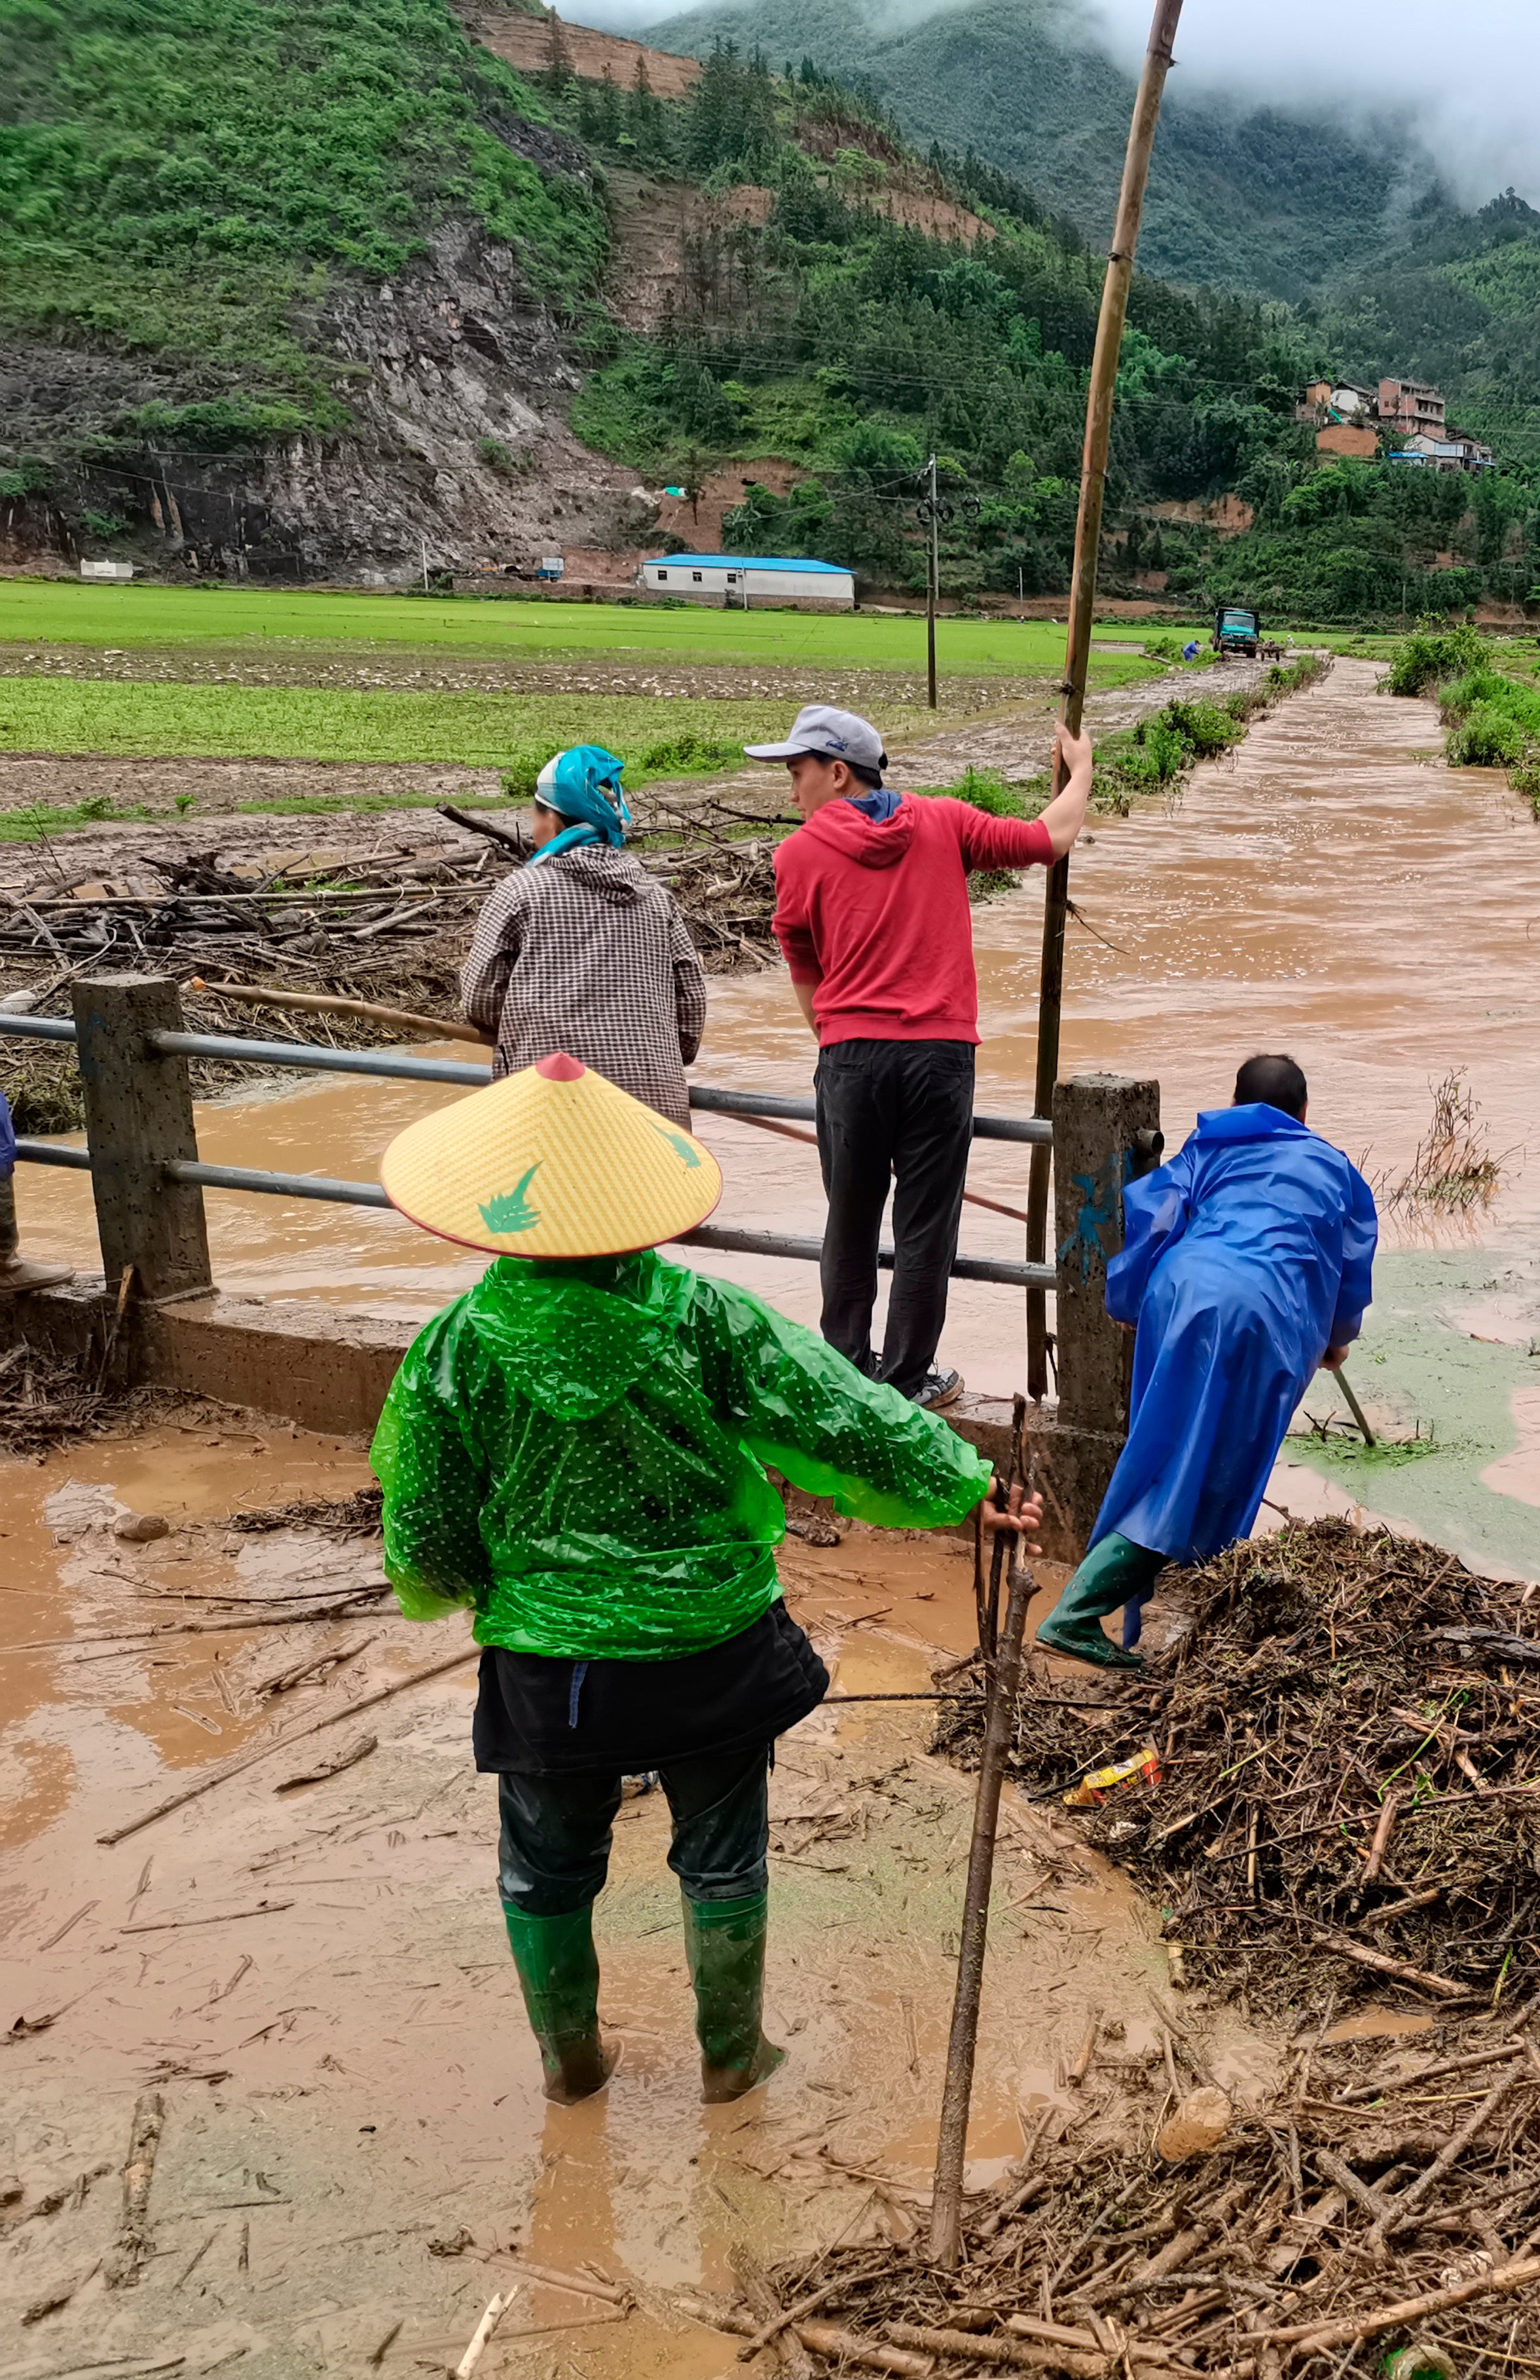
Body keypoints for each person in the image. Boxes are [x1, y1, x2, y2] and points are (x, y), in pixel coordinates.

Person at [368, 1052, 1031, 2105]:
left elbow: (428, 1528)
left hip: (550, 1665)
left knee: (544, 1867)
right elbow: (845, 1413)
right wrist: (967, 1485)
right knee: (722, 1854)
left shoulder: (455, 1349)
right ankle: (731, 2057)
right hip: (708, 1649)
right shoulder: (704, 1318)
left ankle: (569, 2060)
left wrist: (488, 1593)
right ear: (638, 1207)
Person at [763, 704, 1095, 1411]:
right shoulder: (943, 821)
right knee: (925, 1227)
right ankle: (909, 1380)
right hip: (939, 1059)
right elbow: (1049, 838)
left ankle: (847, 1373)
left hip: (852, 1055)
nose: (791, 791)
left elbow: (803, 969)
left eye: (796, 773)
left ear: (837, 772)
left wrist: (834, 1042)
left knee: (849, 1222)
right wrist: (1082, 770)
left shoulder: (794, 857)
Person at [1035, 1053, 1379, 1668]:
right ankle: (1076, 1615)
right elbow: (1350, 1266)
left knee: (1168, 1448)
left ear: (1238, 1102)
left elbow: (1153, 1213)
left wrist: (1129, 1297)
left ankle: (1163, 1594)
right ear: (1304, 1113)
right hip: (1260, 1310)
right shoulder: (1334, 1168)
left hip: (1180, 1290)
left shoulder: (1209, 1147)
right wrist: (1337, 1339)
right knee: (1197, 1469)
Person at [459, 745, 706, 1129]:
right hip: (654, 1110)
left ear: (555, 822)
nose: (533, 822)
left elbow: (481, 999)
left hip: (550, 1105)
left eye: (537, 812)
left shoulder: (520, 892)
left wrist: (522, 1032)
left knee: (554, 1188)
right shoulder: (658, 899)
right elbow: (690, 1009)